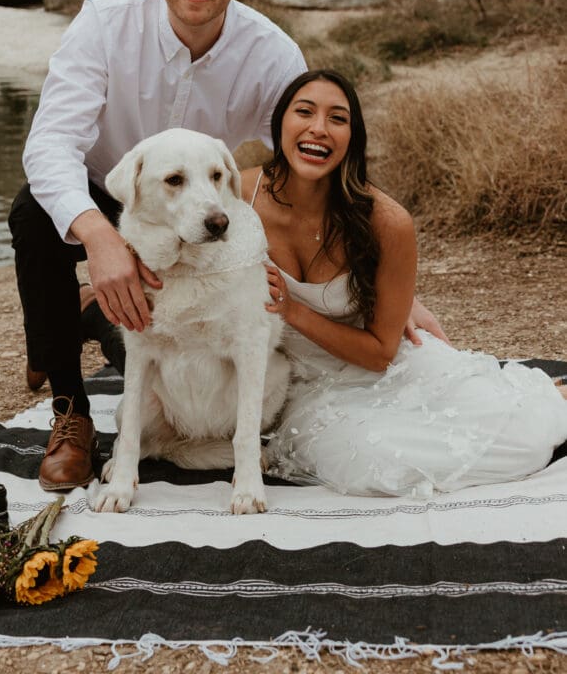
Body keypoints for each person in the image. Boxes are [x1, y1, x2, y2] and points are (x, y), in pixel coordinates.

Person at [8, 0, 442, 493]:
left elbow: (306, 159)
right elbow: (50, 144)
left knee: (168, 344)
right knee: (34, 213)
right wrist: (102, 237)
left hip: (199, 203)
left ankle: (75, 317)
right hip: (110, 183)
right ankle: (69, 408)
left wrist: (380, 274)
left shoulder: (272, 53)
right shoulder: (104, 22)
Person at [241, 69, 567, 497]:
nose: (318, 128)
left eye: (337, 119)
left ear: (352, 137)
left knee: (520, 439)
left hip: (390, 364)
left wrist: (293, 310)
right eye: (304, 111)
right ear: (280, 122)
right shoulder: (237, 193)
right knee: (365, 460)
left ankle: (543, 397)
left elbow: (379, 354)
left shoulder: (386, 221)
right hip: (303, 388)